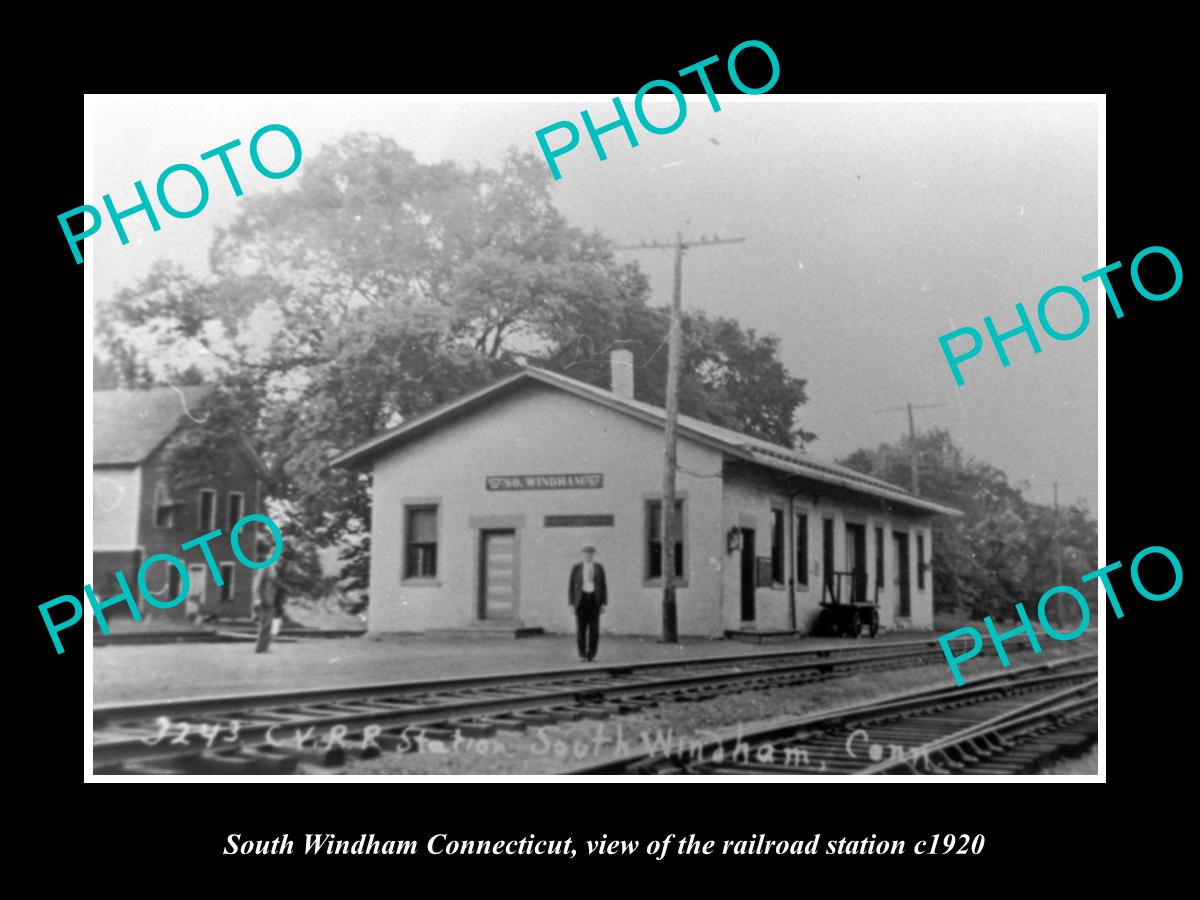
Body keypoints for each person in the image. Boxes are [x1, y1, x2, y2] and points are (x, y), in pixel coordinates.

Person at [568, 544, 607, 662]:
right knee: (581, 629)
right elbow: (571, 587)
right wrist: (571, 603)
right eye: (586, 554)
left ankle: (592, 655)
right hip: (581, 600)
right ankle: (583, 655)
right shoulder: (576, 568)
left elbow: (604, 586)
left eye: (590, 554)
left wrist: (604, 603)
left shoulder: (599, 568)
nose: (588, 556)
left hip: (594, 600)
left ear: (593, 555)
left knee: (594, 630)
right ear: (582, 555)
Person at [252, 536, 285, 653]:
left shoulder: (270, 566)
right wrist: (258, 600)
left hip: (269, 598)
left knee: (267, 624)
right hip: (265, 599)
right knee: (265, 624)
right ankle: (261, 648)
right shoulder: (265, 566)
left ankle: (263, 647)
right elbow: (257, 584)